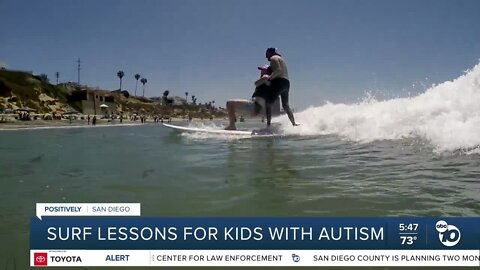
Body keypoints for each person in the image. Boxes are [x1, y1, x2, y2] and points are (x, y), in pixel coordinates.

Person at [224, 65, 272, 130]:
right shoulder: (269, 83)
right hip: (257, 107)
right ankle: (233, 122)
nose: (261, 72)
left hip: (254, 106)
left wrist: (263, 79)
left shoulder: (266, 77)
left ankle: (232, 125)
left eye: (263, 70)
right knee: (232, 107)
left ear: (267, 72)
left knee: (229, 103)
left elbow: (256, 83)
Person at [264, 47, 298, 127]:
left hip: (279, 82)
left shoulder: (273, 58)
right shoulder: (281, 59)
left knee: (268, 103)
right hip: (287, 83)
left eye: (267, 54)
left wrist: (269, 78)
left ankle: (268, 126)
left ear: (270, 53)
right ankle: (294, 124)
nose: (266, 57)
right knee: (285, 105)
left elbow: (278, 70)